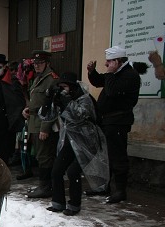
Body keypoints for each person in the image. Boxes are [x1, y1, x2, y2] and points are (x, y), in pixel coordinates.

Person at [45, 72, 109, 216]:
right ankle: (58, 203)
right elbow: (47, 116)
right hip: (70, 141)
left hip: (87, 142)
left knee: (73, 172)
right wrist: (49, 100)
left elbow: (80, 116)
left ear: (72, 87)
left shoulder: (84, 99)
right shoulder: (62, 99)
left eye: (65, 87)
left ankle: (74, 205)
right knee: (56, 170)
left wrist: (67, 101)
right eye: (60, 87)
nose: (62, 90)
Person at [87, 45, 141, 204]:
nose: (106, 64)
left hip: (118, 122)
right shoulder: (116, 73)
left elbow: (111, 90)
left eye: (109, 61)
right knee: (106, 157)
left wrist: (110, 74)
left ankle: (120, 191)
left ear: (118, 61)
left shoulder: (129, 75)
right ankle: (105, 186)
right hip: (108, 121)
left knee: (118, 157)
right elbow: (99, 82)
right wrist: (92, 72)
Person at [22, 50, 60, 197]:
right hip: (34, 121)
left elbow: (52, 106)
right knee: (40, 155)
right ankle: (44, 185)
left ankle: (46, 187)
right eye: (35, 63)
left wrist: (45, 128)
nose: (36, 66)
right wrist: (28, 110)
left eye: (40, 63)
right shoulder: (39, 78)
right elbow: (37, 102)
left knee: (45, 156)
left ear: (47, 64)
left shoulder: (52, 79)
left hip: (43, 124)